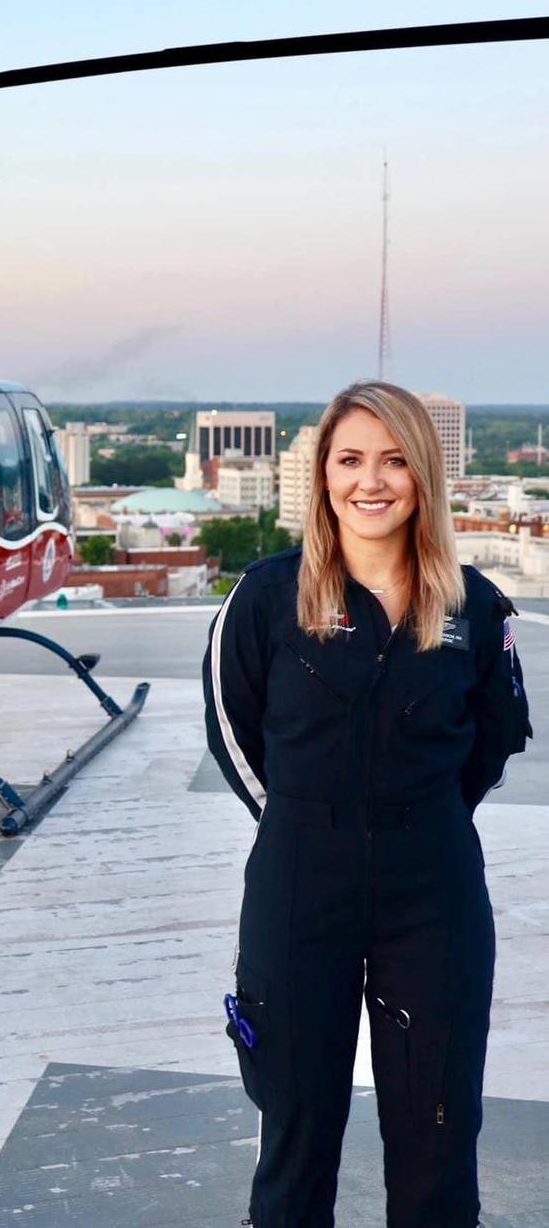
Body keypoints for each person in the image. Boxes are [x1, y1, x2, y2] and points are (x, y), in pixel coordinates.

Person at [203, 381, 532, 1228]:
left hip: (434, 898)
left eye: (394, 461)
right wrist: (308, 828)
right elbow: (234, 734)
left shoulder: (474, 606)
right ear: (322, 475)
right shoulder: (267, 598)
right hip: (298, 889)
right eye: (349, 460)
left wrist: (412, 824)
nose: (371, 482)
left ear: (424, 475)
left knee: (436, 1140)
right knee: (297, 1134)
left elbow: (488, 745)